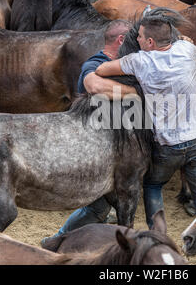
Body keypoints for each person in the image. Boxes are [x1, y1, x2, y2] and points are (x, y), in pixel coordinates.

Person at [95, 15, 196, 228]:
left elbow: (101, 70)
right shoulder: (186, 50)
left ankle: (158, 234)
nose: (137, 40)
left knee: (153, 185)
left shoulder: (139, 60)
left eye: (139, 36)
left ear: (149, 42)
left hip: (167, 145)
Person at [41, 20, 134, 247]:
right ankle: (58, 239)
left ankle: (58, 239)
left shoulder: (121, 63)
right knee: (98, 206)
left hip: (113, 148)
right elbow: (93, 88)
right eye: (132, 39)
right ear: (121, 40)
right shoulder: (94, 64)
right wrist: (136, 92)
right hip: (95, 146)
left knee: (102, 206)